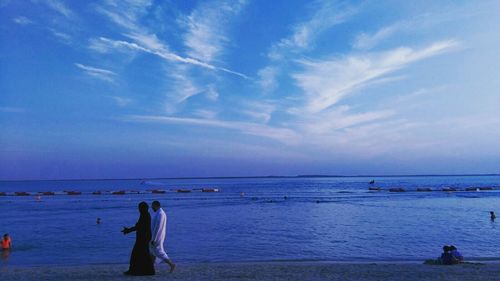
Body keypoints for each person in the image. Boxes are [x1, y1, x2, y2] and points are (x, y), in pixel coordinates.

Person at [122, 202, 155, 276]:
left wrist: (128, 230)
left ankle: (135, 271)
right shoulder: (144, 215)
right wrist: (129, 229)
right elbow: (139, 226)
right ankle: (147, 271)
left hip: (143, 237)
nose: (139, 209)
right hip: (143, 237)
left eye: (140, 208)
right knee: (143, 254)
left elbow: (139, 226)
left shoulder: (145, 215)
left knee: (137, 254)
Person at [150, 200, 176, 273]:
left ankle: (171, 264)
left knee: (159, 252)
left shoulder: (160, 214)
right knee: (153, 251)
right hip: (156, 236)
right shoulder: (158, 213)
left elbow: (158, 227)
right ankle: (152, 268)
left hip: (157, 236)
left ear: (156, 205)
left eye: (152, 206)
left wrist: (153, 239)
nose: (152, 207)